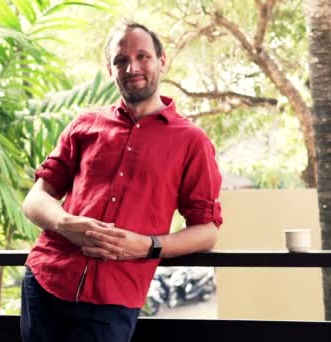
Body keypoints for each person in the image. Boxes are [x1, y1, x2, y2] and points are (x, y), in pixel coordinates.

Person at [20, 20, 223, 342]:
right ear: (110, 69)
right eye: (120, 60)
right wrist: (64, 222)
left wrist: (146, 246)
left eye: (143, 56)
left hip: (114, 297)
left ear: (161, 60)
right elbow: (35, 199)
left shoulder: (192, 141)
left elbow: (207, 231)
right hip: (47, 278)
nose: (132, 67)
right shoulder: (84, 124)